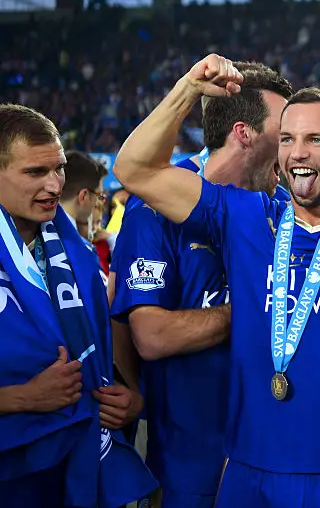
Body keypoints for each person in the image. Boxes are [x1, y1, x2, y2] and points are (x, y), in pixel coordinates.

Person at [113, 54, 320, 507]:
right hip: (249, 467)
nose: (297, 152)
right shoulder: (245, 216)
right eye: (286, 138)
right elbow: (134, 171)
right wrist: (188, 87)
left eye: (315, 139)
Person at [110, 61, 292, 508]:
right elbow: (151, 336)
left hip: (275, 454)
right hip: (191, 462)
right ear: (244, 133)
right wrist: (253, 308)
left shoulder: (282, 206)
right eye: (284, 134)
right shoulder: (153, 210)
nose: (292, 150)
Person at [0, 103, 156, 508]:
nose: (54, 185)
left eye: (59, 169)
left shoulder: (78, 254)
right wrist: (21, 398)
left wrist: (129, 394)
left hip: (74, 463)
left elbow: (101, 336)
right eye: (35, 172)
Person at [58, 151, 110, 249]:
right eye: (99, 195)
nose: (98, 202)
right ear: (84, 196)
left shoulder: (39, 233)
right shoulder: (77, 248)